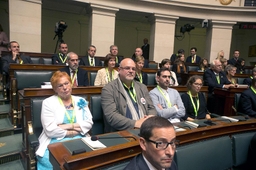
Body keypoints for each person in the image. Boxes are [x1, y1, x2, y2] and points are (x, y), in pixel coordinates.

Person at [35, 71, 93, 169]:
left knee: (87, 160)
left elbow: (89, 123)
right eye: (60, 85)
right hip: (54, 142)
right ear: (55, 89)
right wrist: (72, 132)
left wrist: (67, 126)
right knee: (60, 163)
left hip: (80, 138)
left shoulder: (80, 100)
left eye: (66, 83)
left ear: (71, 84)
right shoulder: (48, 103)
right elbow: (50, 130)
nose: (65, 88)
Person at [101, 58, 157, 132]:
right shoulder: (108, 89)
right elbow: (111, 116)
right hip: (122, 132)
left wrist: (149, 119)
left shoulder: (142, 87)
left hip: (146, 129)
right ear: (119, 70)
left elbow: (151, 108)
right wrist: (135, 123)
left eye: (133, 69)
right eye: (127, 68)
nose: (131, 71)